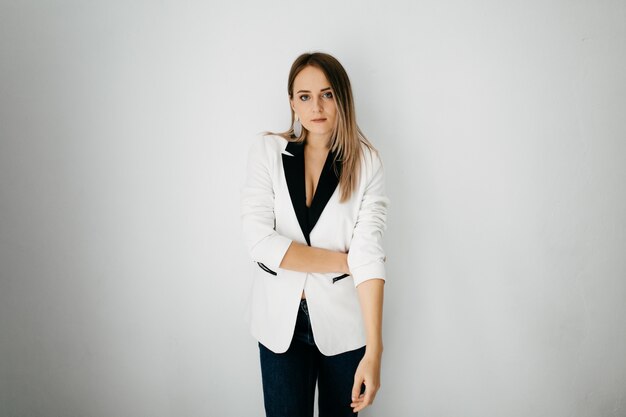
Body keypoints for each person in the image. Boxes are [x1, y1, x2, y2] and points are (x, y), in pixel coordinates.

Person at [241, 51, 389, 417]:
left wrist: (374, 351)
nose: (316, 106)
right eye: (304, 96)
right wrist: (342, 261)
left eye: (327, 94)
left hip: (343, 326)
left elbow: (368, 253)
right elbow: (260, 241)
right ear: (292, 102)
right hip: (279, 324)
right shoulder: (267, 152)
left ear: (342, 97)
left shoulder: (366, 162)